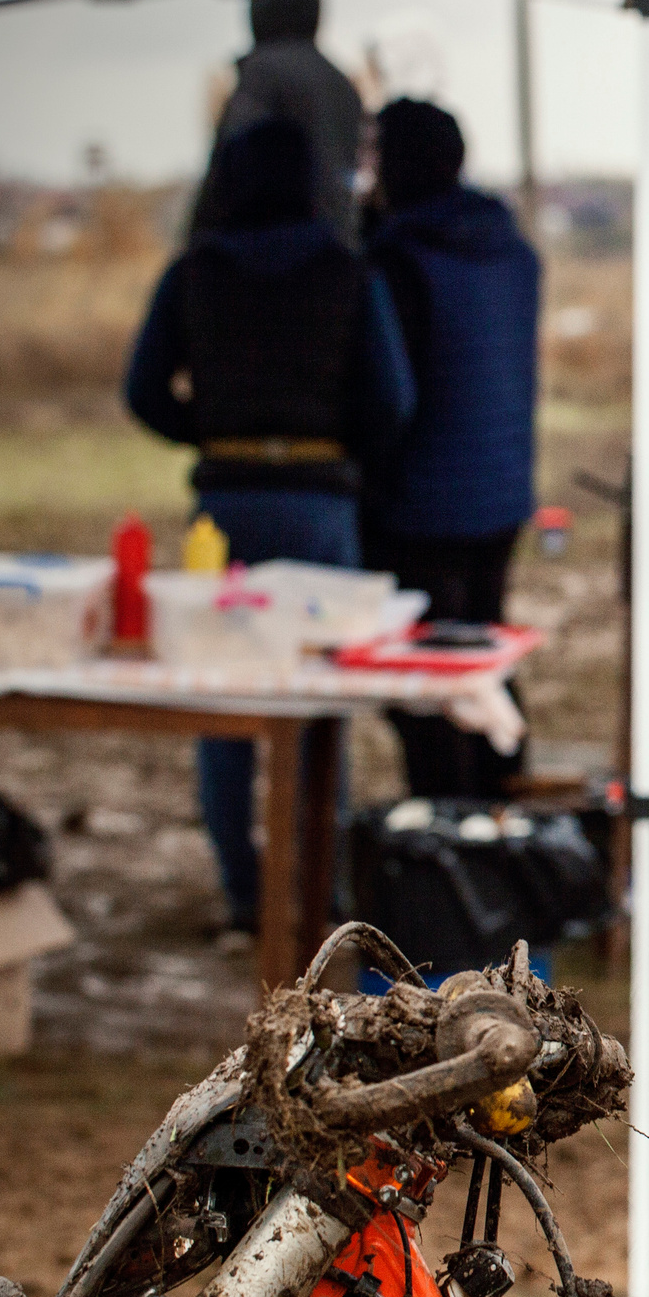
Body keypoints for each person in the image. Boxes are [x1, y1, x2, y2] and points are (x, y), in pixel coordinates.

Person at [125, 118, 415, 939]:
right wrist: (339, 445)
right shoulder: (347, 273)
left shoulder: (194, 272)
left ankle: (245, 893)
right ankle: (319, 890)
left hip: (228, 507)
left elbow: (143, 389)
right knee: (323, 700)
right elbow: (391, 399)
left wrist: (210, 430)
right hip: (322, 505)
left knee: (223, 703)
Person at [362, 97, 543, 800]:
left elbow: (391, 392)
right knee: (486, 663)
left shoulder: (399, 259)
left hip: (422, 498)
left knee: (434, 687)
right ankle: (506, 818)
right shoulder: (509, 248)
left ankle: (455, 839)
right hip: (499, 488)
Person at [190, 0, 364, 244]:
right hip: (334, 245)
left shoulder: (262, 74)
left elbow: (227, 174)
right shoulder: (338, 82)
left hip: (267, 250)